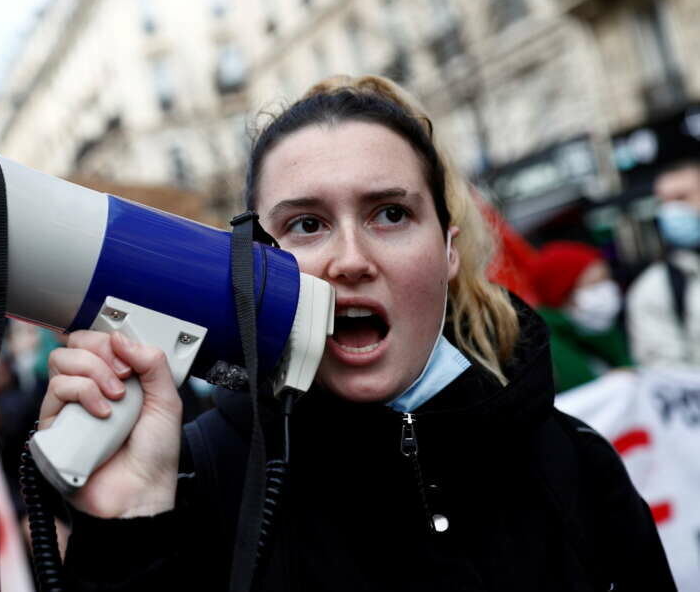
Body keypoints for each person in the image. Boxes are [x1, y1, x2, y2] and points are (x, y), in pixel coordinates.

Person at [39, 75, 673, 590]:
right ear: (250, 263)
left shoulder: (577, 462)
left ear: (449, 251)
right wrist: (126, 538)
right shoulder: (196, 480)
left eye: (390, 214)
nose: (350, 259)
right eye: (307, 225)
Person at [530, 241, 633, 393]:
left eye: (607, 279)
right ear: (564, 295)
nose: (609, 288)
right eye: (595, 284)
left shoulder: (601, 331)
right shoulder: (546, 351)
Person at [627, 158, 700, 368]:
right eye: (664, 202)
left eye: (682, 197)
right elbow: (669, 375)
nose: (672, 211)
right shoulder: (653, 290)